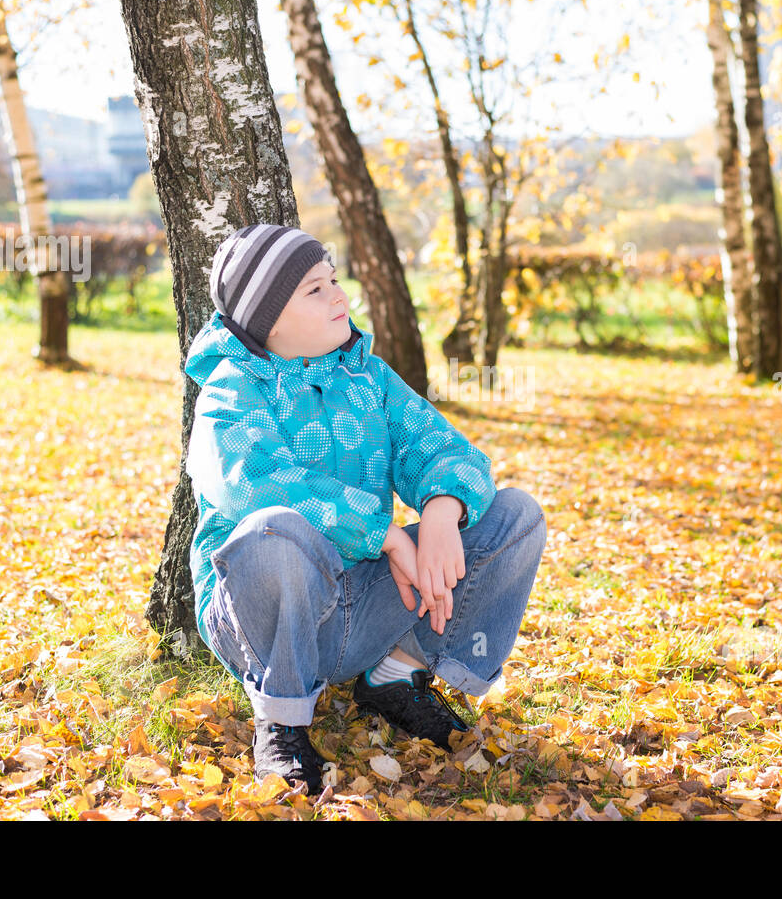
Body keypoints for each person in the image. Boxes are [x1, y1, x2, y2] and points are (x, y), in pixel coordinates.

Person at [182, 223, 547, 794]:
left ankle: (395, 674)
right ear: (269, 319)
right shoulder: (231, 389)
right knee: (275, 530)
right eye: (314, 289)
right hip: (270, 612)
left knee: (514, 516)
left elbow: (442, 447)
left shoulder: (367, 376)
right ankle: (281, 721)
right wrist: (387, 536)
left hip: (373, 602)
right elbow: (252, 483)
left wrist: (442, 511)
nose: (340, 296)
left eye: (333, 280)